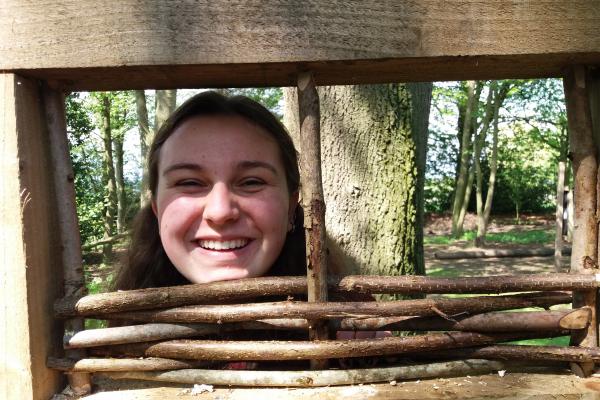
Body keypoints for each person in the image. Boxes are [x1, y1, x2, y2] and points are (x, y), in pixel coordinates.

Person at [115, 91, 306, 291]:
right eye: (189, 183)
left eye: (251, 182)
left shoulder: (337, 319)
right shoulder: (123, 323)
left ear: (291, 206)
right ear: (156, 208)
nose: (220, 212)